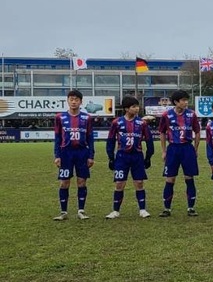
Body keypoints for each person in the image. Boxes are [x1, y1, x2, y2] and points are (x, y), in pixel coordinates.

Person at [105, 95, 154, 219]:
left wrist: (148, 157)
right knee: (119, 183)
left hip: (137, 156)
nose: (137, 108)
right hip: (122, 157)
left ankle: (142, 209)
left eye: (137, 106)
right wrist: (111, 157)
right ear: (126, 108)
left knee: (139, 182)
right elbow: (110, 140)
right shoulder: (116, 122)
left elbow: (149, 140)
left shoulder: (142, 123)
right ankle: (115, 211)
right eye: (134, 106)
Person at [52, 89, 95, 220]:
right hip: (66, 153)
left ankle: (81, 210)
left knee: (81, 181)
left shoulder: (87, 118)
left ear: (81, 102)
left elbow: (90, 138)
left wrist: (91, 156)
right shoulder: (60, 117)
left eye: (76, 99)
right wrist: (57, 155)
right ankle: (63, 212)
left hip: (82, 153)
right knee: (64, 182)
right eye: (71, 99)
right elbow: (57, 138)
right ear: (68, 101)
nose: (74, 102)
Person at [158, 90, 201, 216]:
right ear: (176, 102)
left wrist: (195, 148)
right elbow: (162, 132)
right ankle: (167, 209)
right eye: (183, 100)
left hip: (187, 148)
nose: (186, 102)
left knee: (189, 178)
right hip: (173, 149)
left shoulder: (191, 115)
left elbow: (197, 131)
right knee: (170, 178)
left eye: (187, 100)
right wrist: (164, 151)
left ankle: (191, 208)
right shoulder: (166, 115)